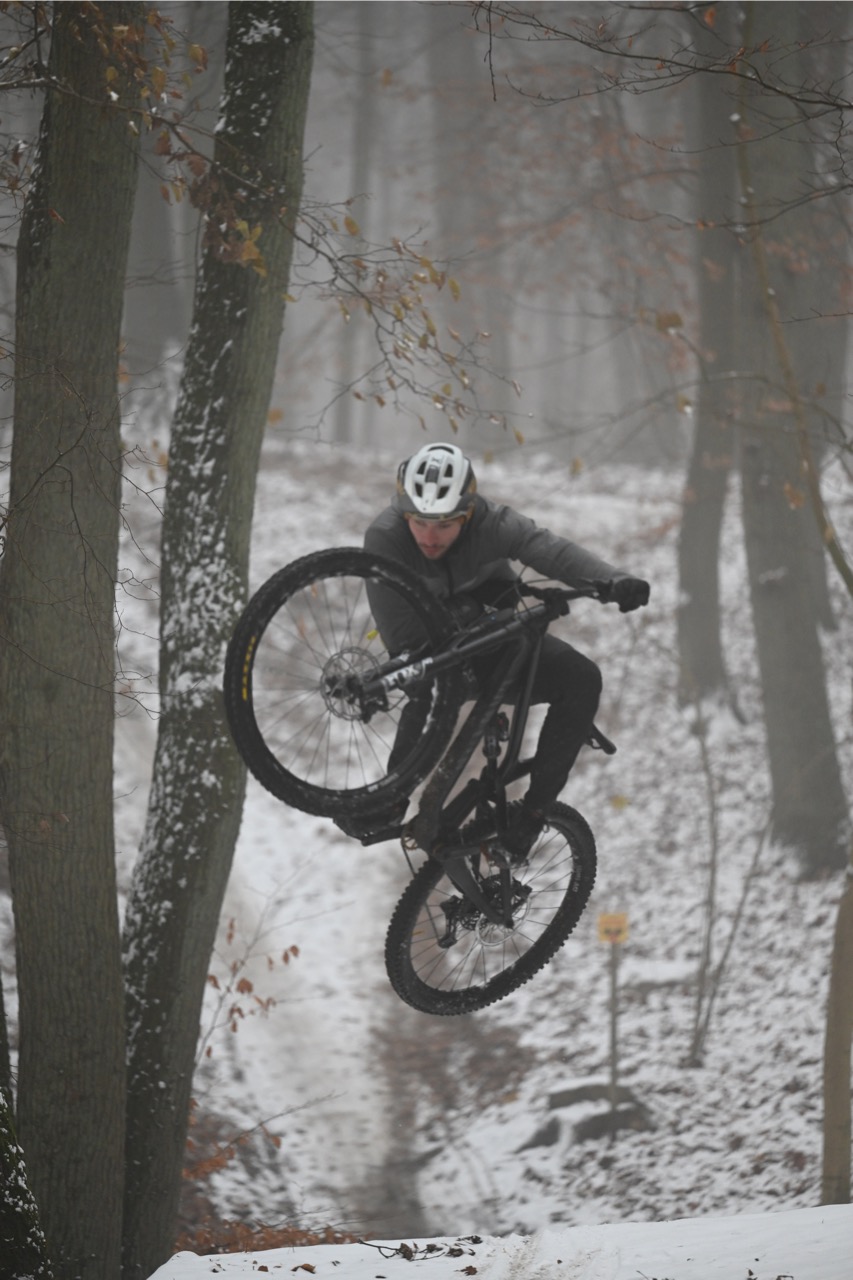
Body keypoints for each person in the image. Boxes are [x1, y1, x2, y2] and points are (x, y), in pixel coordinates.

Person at [359, 441, 650, 858]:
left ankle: (532, 815)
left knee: (581, 678)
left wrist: (614, 580)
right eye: (419, 522)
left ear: (467, 514)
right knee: (432, 686)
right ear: (405, 514)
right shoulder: (385, 538)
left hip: (497, 641)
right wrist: (458, 623)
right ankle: (389, 800)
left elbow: (552, 551)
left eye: (444, 524)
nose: (429, 536)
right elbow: (403, 637)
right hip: (432, 651)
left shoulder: (494, 524)